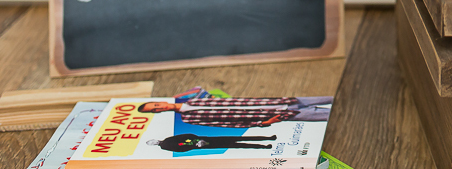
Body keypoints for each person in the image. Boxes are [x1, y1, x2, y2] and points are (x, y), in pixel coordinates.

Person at [137, 96, 333, 127]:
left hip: (281, 101)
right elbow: (227, 123)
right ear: (159, 112)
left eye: (156, 104)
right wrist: (263, 123)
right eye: (156, 110)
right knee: (331, 117)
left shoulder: (197, 98)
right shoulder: (189, 119)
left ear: (160, 102)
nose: (160, 107)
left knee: (337, 98)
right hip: (281, 115)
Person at [147, 133, 275, 152]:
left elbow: (184, 136)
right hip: (204, 145)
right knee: (238, 145)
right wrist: (196, 145)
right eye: (151, 143)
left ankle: (268, 138)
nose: (154, 142)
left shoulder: (167, 139)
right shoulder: (165, 146)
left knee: (239, 138)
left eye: (152, 141)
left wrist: (197, 139)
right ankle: (265, 147)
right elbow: (181, 148)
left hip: (206, 139)